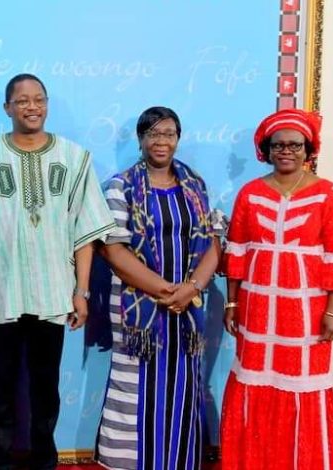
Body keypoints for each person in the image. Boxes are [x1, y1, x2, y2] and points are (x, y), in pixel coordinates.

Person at [0, 73, 116, 469]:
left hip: (54, 292)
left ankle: (45, 459)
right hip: (1, 292)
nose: (32, 107)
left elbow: (85, 233)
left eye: (39, 99)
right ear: (7, 107)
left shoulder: (74, 158)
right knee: (0, 385)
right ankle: (3, 460)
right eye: (23, 100)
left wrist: (80, 291)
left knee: (46, 386)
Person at [220, 109, 333, 469]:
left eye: (295, 145)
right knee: (254, 381)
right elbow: (236, 251)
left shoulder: (325, 195)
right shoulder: (250, 194)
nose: (287, 151)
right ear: (267, 150)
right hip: (255, 312)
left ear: (308, 149)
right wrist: (231, 305)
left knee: (304, 386)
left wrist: (332, 312)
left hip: (306, 314)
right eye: (279, 145)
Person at [96, 106, 220, 469]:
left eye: (169, 134)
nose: (161, 141)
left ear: (178, 139)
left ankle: (179, 461)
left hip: (188, 309)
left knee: (183, 385)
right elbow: (113, 250)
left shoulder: (195, 186)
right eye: (154, 134)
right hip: (141, 313)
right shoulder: (120, 187)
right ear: (141, 139)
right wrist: (167, 291)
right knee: (134, 385)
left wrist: (191, 288)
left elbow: (213, 243)